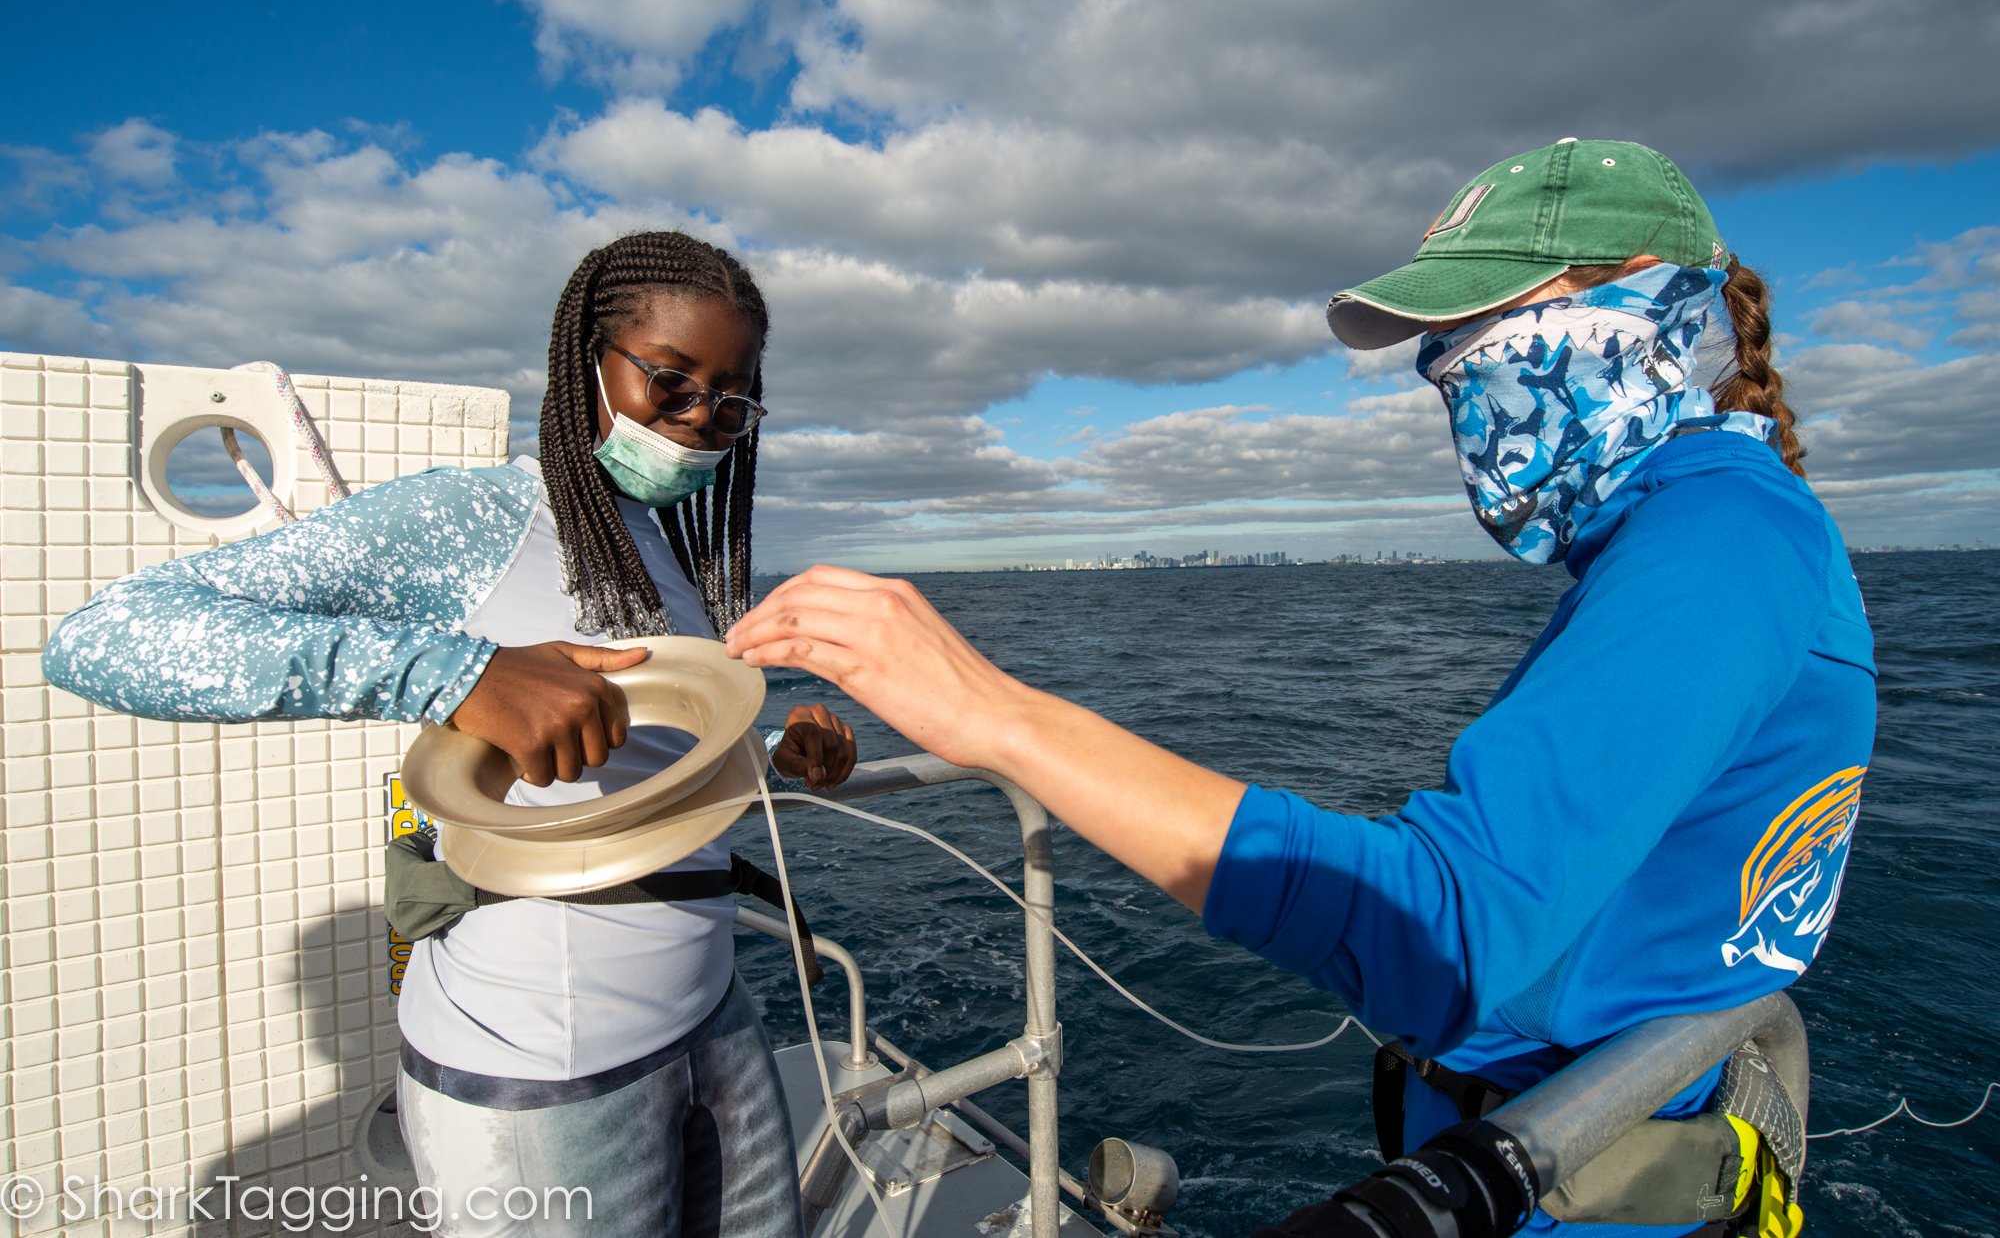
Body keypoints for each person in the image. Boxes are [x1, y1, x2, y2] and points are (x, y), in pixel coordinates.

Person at [723, 141, 1876, 1237]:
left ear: (1653, 300)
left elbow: (1447, 932)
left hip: (1570, 1186)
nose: (1455, 376)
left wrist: (998, 717)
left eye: (1486, 327)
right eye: (1443, 351)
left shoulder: (1722, 540)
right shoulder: (1705, 535)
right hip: (1531, 1155)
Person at [44, 230, 856, 1238]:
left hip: (711, 1018)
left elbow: (645, 775)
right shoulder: (471, 519)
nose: (699, 424)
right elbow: (108, 636)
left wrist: (776, 760)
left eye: (730, 403)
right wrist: (460, 675)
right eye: (671, 382)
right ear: (584, 364)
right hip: (546, 1068)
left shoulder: (663, 547)